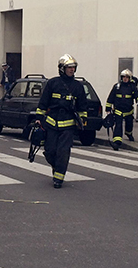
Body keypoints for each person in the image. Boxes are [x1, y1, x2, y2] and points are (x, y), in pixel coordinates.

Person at [35, 54, 87, 189]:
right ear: (62, 69)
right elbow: (43, 102)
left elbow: (82, 106)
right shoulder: (52, 83)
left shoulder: (78, 86)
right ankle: (56, 166)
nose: (72, 70)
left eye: (73, 67)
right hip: (51, 123)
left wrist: (83, 120)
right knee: (50, 151)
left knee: (63, 152)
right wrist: (39, 119)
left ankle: (58, 178)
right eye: (69, 67)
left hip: (68, 125)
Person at [105, 69, 138, 150]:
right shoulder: (117, 87)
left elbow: (137, 94)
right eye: (123, 77)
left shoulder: (132, 87)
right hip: (118, 110)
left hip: (129, 111)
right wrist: (108, 109)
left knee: (129, 125)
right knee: (118, 126)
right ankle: (117, 142)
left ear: (130, 78)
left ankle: (129, 133)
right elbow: (111, 97)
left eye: (127, 77)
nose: (125, 79)